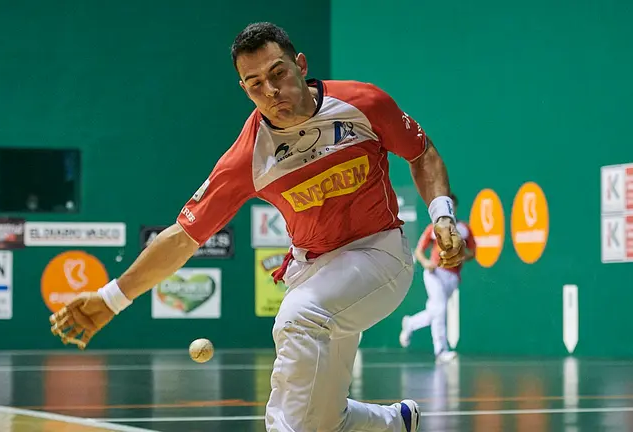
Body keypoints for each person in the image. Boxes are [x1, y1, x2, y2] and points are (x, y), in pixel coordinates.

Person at [49, 22, 466, 432]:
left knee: (297, 319)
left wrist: (442, 213)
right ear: (244, 90)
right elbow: (182, 237)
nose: (270, 91)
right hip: (312, 270)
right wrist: (110, 299)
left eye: (278, 73)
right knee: (322, 420)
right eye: (254, 84)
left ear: (300, 65)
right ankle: (396, 422)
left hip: (380, 254)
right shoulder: (249, 156)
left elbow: (422, 153)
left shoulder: (363, 104)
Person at [399, 194, 475, 364]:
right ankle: (441, 351)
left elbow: (472, 253)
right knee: (440, 310)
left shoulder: (464, 229)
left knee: (434, 311)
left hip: (453, 276)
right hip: (435, 273)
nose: (450, 210)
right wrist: (426, 263)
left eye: (452, 206)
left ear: (455, 207)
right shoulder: (434, 228)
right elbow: (419, 251)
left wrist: (461, 253)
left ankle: (410, 323)